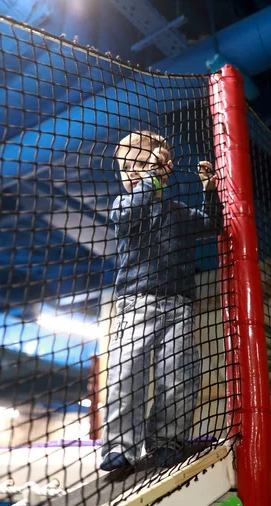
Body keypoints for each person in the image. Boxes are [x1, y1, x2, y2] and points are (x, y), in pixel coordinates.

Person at [100, 130, 223, 472]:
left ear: (164, 168)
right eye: (127, 168)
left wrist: (209, 189)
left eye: (143, 164)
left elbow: (212, 224)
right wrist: (151, 178)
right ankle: (121, 449)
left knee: (179, 377)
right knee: (128, 376)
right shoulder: (124, 205)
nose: (134, 172)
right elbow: (131, 212)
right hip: (136, 305)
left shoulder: (177, 211)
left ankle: (168, 440)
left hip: (179, 306)